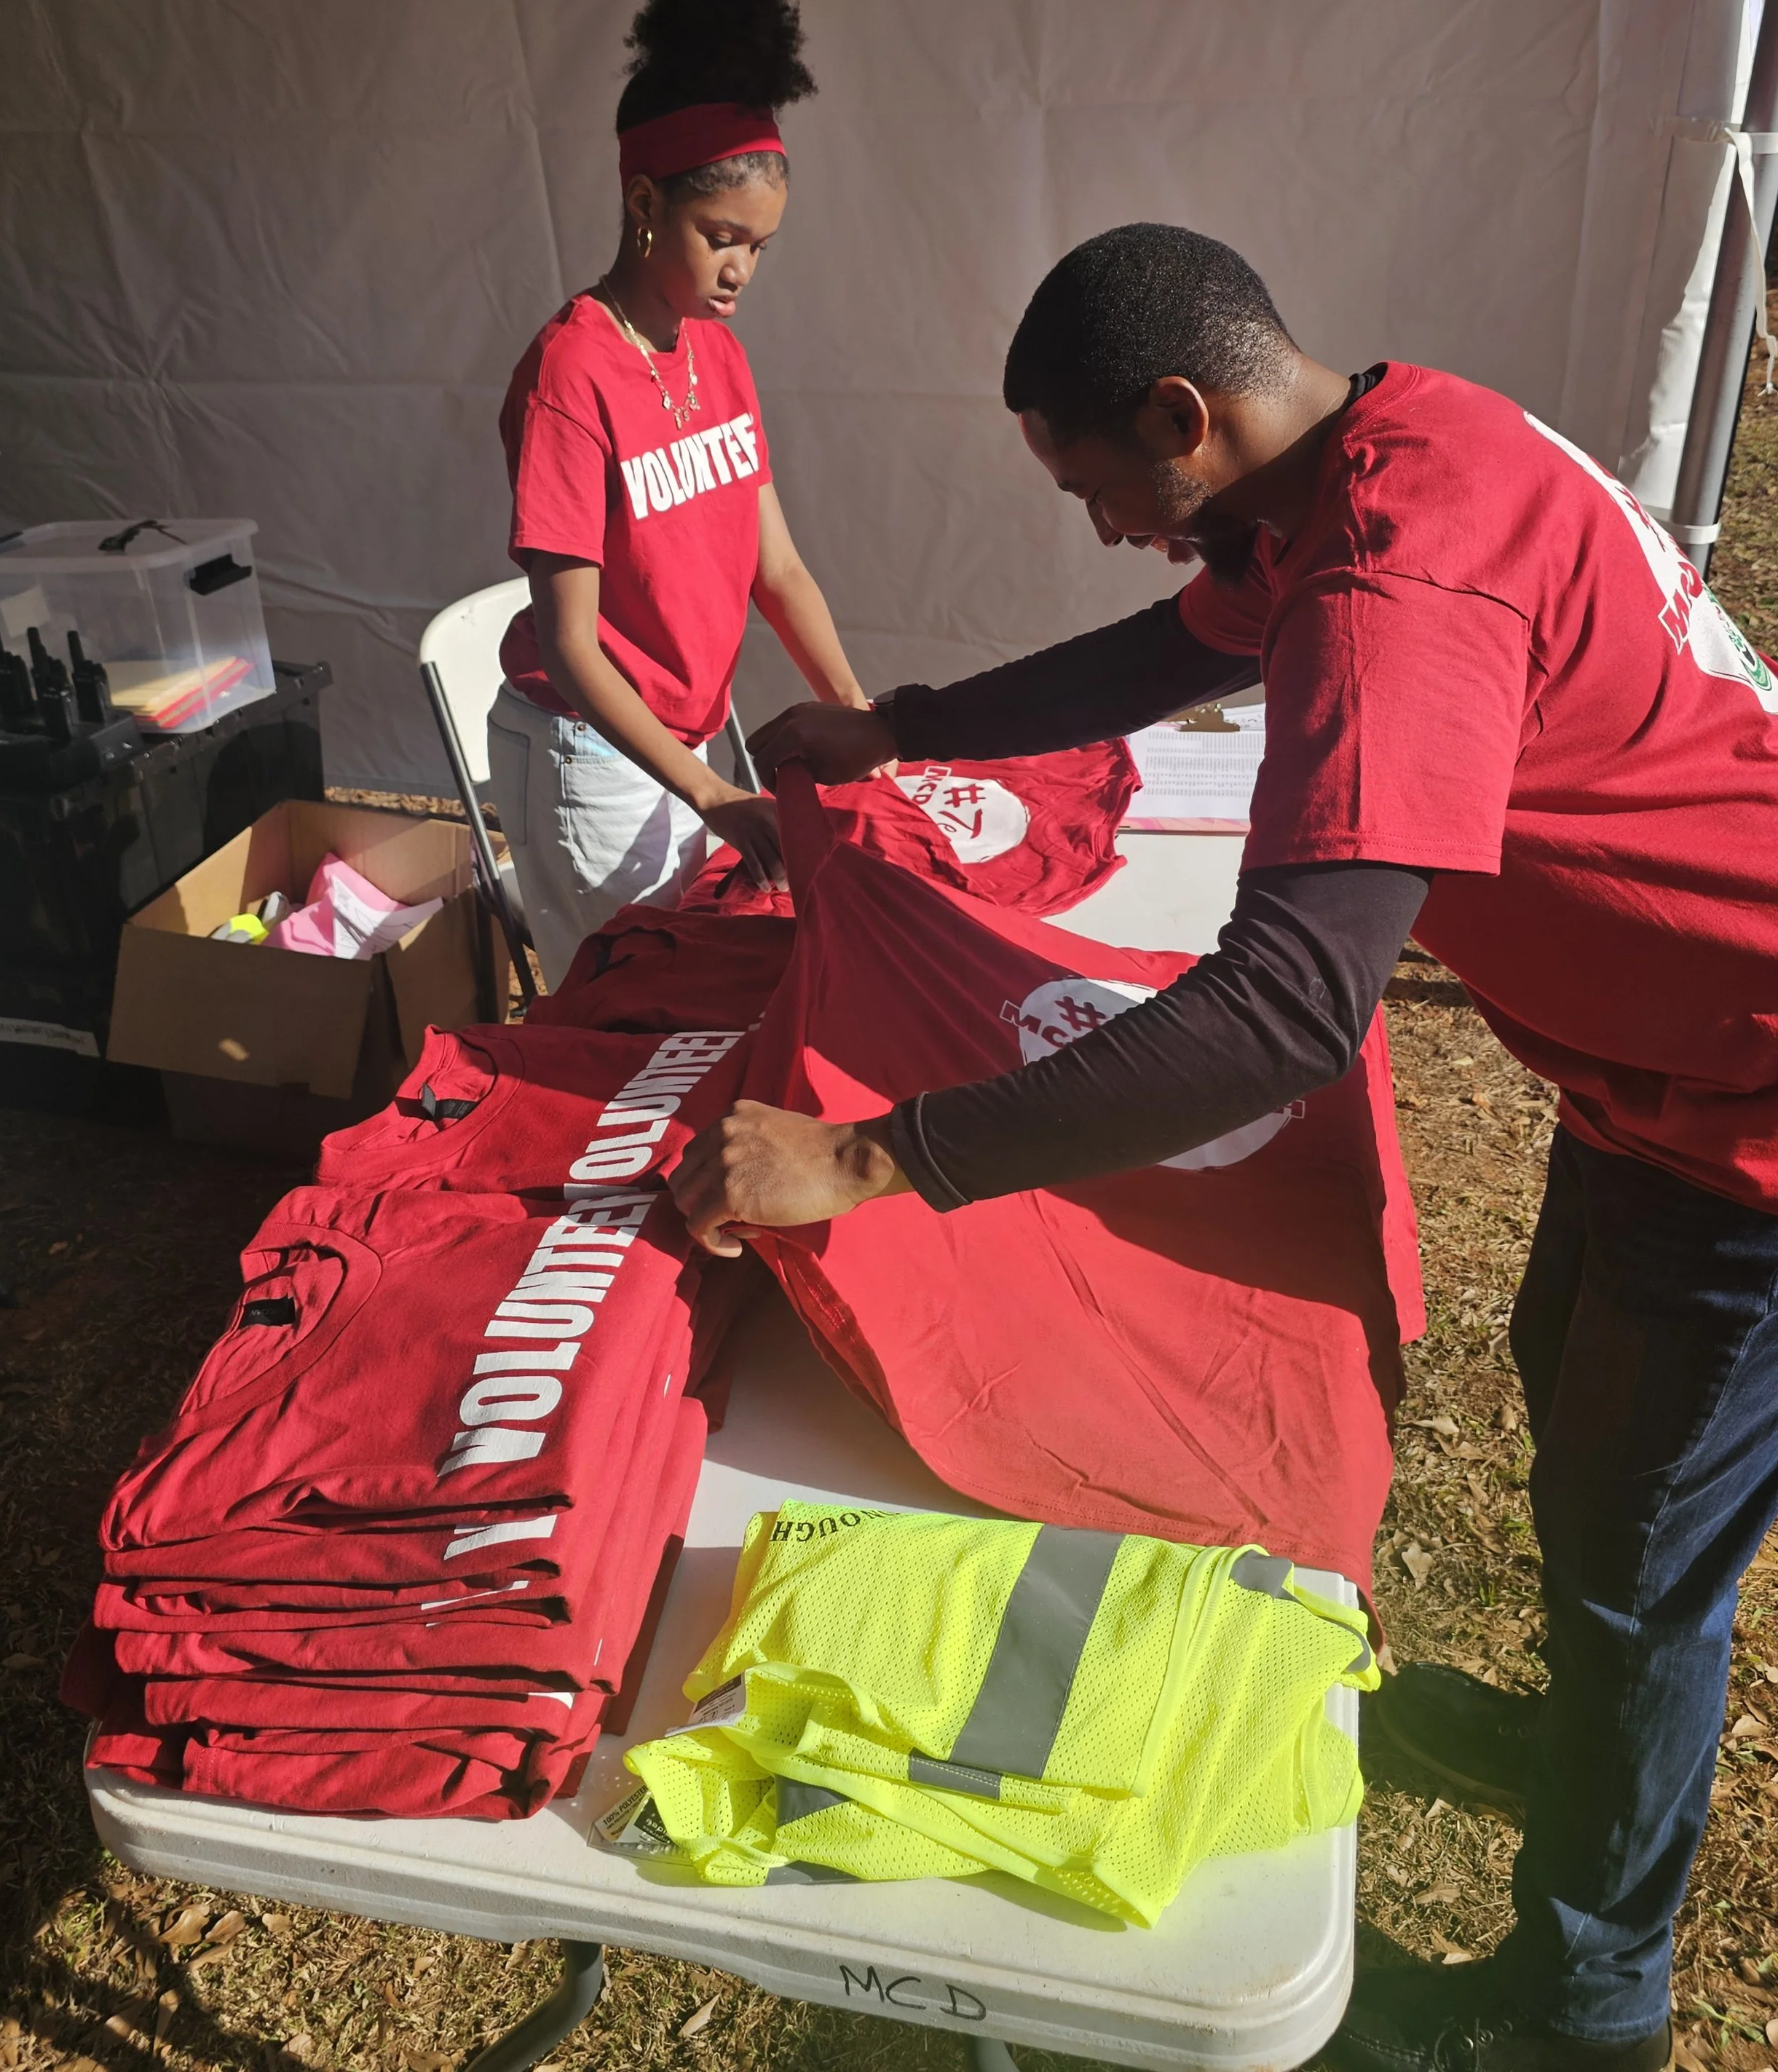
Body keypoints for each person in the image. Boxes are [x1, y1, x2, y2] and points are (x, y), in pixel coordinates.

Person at [668, 221, 1778, 2071]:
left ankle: (1585, 2009)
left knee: (1639, 1549)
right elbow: (1143, 652)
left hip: (1747, 1116)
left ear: (1184, 414)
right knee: (1571, 1403)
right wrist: (903, 726)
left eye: (1104, 486)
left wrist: (867, 1162)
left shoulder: (1389, 583)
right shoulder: (1366, 454)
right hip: (1650, 1076)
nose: (1107, 527)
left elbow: (1283, 1009)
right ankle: (1577, 1724)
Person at [487, 0, 870, 986]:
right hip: (590, 752)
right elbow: (572, 645)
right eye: (721, 235)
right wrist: (708, 794)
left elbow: (776, 568)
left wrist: (859, 712)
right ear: (644, 202)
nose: (743, 268)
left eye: (761, 245)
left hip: (687, 748)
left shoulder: (718, 352)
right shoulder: (572, 373)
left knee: (691, 997)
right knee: (627, 1019)